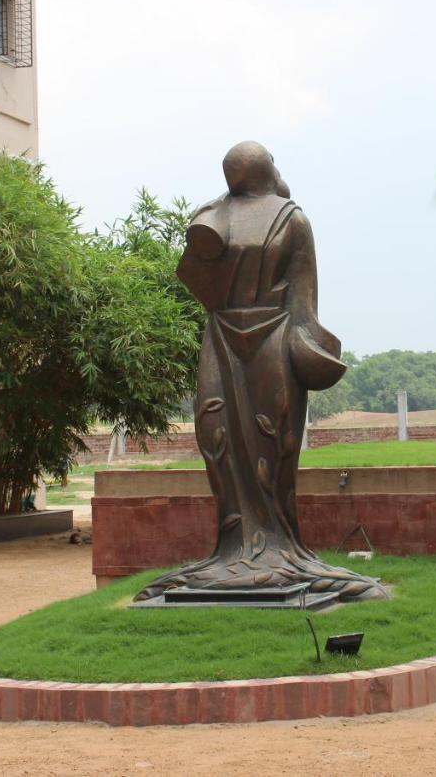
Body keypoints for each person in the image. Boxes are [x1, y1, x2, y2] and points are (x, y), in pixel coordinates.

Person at [134, 141, 387, 604]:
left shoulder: (285, 218)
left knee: (274, 440)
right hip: (227, 336)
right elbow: (303, 306)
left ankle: (277, 547)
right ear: (266, 169)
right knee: (219, 436)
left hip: (270, 335)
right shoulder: (222, 215)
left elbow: (296, 298)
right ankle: (233, 549)